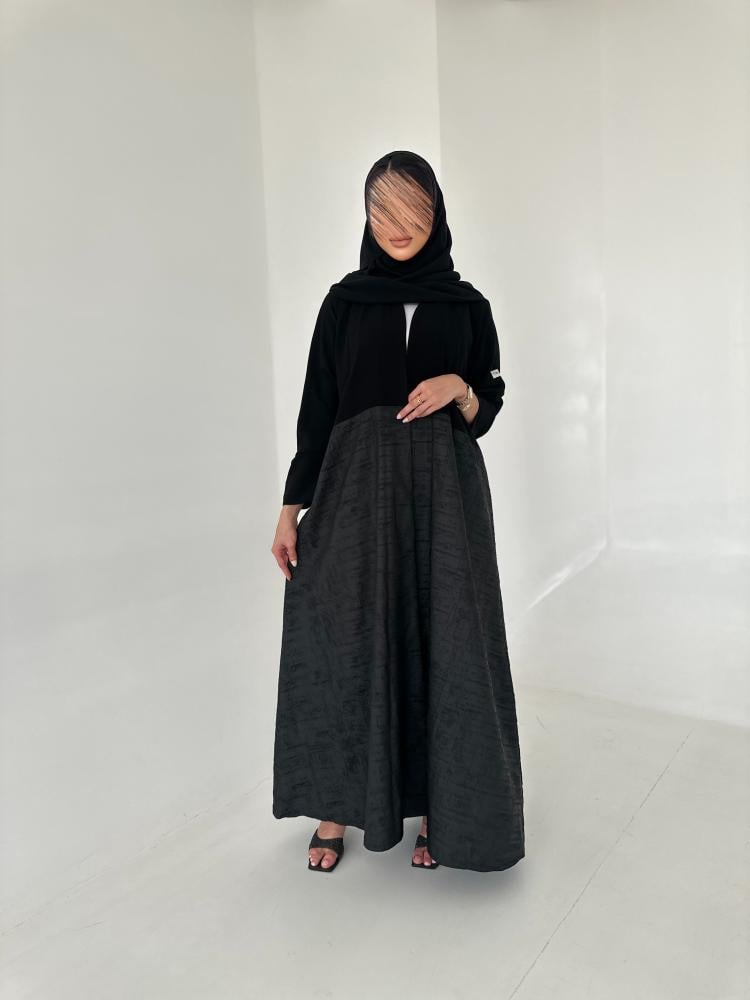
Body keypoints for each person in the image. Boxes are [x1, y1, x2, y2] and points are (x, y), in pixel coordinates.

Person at [271, 150, 525, 874]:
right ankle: (337, 805)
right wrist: (291, 507)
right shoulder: (344, 304)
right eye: (382, 208)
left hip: (446, 496)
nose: (397, 223)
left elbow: (487, 406)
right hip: (356, 492)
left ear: (435, 213)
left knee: (447, 640)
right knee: (342, 634)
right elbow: (318, 410)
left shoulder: (468, 306)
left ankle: (443, 809)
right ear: (366, 216)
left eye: (412, 207)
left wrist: (458, 388)